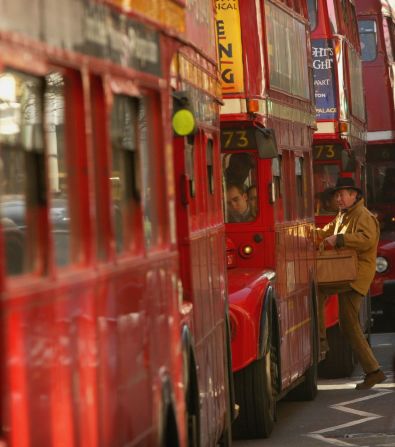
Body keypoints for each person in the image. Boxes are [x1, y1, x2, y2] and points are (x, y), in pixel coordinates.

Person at [316, 177, 386, 390]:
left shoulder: (363, 216)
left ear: (355, 195)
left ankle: (321, 343)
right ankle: (374, 371)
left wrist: (340, 240)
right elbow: (326, 231)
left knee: (320, 292)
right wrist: (306, 235)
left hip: (356, 275)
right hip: (348, 273)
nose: (339, 198)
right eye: (337, 195)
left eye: (343, 194)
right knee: (348, 324)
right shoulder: (343, 215)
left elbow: (367, 239)